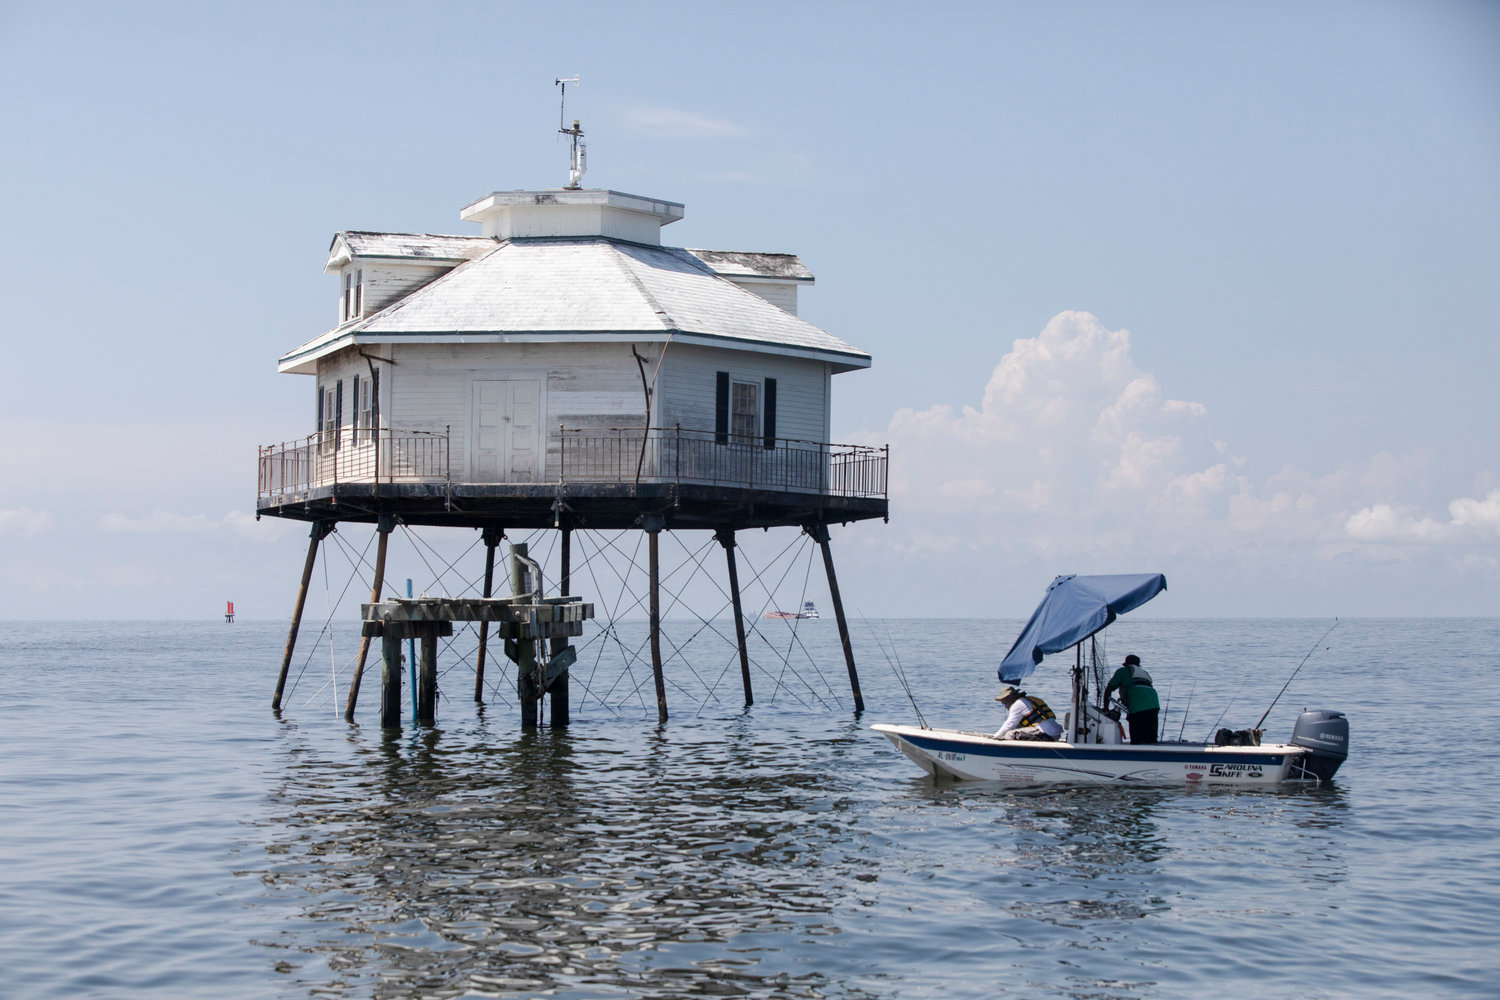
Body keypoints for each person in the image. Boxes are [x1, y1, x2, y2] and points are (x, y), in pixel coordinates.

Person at [1105, 653, 1160, 744]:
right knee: (1151, 737)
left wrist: (1106, 708)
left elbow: (1108, 689)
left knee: (1137, 737)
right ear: (1138, 665)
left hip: (1138, 705)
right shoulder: (1143, 673)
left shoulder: (1122, 671)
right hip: (1154, 705)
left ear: (1126, 664)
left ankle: (1137, 754)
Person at [993, 685, 1062, 741]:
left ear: (1010, 698)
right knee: (1017, 728)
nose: (1005, 707)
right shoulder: (1031, 699)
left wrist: (995, 737)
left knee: (1010, 734)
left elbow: (1009, 724)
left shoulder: (1018, 704)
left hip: (1047, 735)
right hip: (1056, 734)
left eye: (1004, 704)